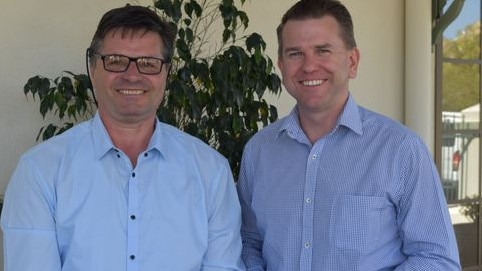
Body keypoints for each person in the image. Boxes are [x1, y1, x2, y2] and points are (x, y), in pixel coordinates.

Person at [1, 5, 244, 271]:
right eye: (116, 61)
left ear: (166, 74)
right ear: (93, 69)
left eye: (148, 64)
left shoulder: (211, 171)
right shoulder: (40, 171)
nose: (132, 75)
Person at [236, 0, 461, 270]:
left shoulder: (401, 150)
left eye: (323, 51)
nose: (309, 66)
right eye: (295, 53)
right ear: (282, 66)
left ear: (352, 61)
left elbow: (437, 259)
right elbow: (249, 243)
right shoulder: (259, 151)